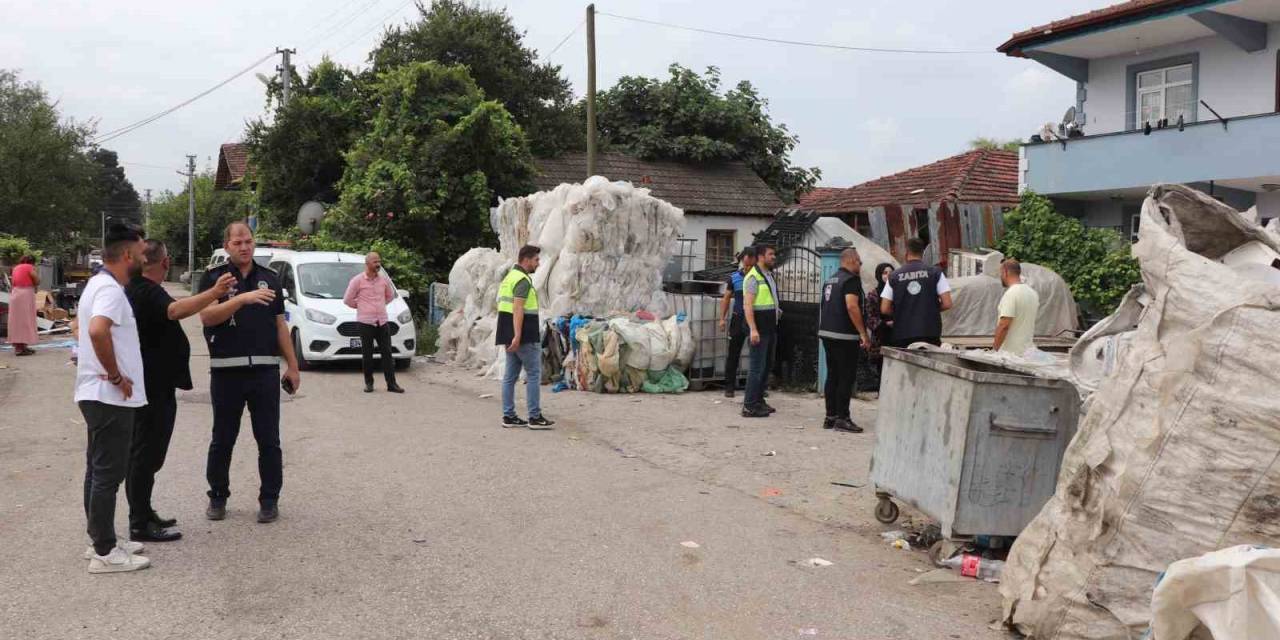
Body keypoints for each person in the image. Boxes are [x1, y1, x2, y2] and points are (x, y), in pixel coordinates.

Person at [125, 240, 235, 543]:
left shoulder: (145, 288)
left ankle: (144, 511)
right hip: (151, 386)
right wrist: (214, 292)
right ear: (165, 262)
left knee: (150, 454)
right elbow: (174, 311)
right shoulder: (145, 289)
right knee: (146, 454)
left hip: (156, 383)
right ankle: (139, 522)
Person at [199, 221, 301, 524]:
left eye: (248, 241)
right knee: (222, 440)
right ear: (227, 246)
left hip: (264, 371)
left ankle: (269, 500)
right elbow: (207, 317)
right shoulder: (214, 277)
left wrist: (293, 365)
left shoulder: (270, 278)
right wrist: (241, 299)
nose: (244, 247)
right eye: (237, 242)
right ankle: (218, 497)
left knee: (269, 440)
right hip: (226, 372)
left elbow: (280, 324)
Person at [75, 223, 150, 573]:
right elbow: (96, 330)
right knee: (108, 473)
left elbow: (85, 329)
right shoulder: (109, 290)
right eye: (142, 252)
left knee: (97, 470)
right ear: (127, 255)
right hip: (108, 396)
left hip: (96, 393)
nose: (145, 258)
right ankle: (105, 553)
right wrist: (117, 376)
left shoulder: (98, 284)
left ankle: (99, 539)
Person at [496, 245, 554, 429]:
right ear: (526, 260)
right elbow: (518, 308)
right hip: (524, 335)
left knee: (510, 376)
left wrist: (511, 336)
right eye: (536, 260)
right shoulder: (522, 280)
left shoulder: (509, 278)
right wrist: (518, 335)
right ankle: (534, 417)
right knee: (534, 374)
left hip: (506, 331)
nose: (538, 263)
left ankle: (509, 416)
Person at [819, 248, 872, 433]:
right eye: (859, 261)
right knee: (845, 377)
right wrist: (863, 333)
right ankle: (843, 418)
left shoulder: (830, 280)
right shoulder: (851, 280)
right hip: (845, 335)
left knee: (832, 375)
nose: (860, 265)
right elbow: (851, 306)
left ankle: (830, 417)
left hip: (827, 333)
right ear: (851, 260)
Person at [343, 252, 405, 394]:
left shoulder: (383, 280)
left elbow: (390, 296)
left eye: (379, 261)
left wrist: (380, 305)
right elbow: (347, 299)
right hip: (365, 323)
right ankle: (369, 383)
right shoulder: (357, 281)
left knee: (387, 353)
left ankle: (392, 384)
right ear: (367, 264)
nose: (378, 264)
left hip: (382, 321)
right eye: (375, 262)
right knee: (367, 354)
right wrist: (361, 306)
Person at [880, 238, 953, 348]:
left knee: (906, 359)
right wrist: (930, 310)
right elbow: (947, 303)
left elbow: (884, 308)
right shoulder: (935, 272)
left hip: (903, 333)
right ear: (922, 253)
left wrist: (902, 313)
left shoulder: (894, 276)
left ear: (907, 253)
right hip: (929, 331)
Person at [741, 244, 780, 418]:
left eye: (774, 254)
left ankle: (759, 400)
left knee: (766, 367)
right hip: (759, 329)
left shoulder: (768, 275)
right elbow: (748, 305)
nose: (774, 257)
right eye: (770, 254)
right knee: (756, 368)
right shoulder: (753, 277)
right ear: (761, 257)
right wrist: (753, 329)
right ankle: (749, 406)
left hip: (770, 328)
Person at [716, 247, 756, 398]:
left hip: (755, 319)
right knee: (733, 353)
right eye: (745, 264)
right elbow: (726, 298)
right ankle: (729, 387)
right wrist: (722, 318)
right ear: (741, 262)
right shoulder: (734, 278)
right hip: (738, 318)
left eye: (751, 265)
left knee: (756, 354)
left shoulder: (759, 278)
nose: (747, 268)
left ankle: (757, 387)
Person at [992, 259, 1040, 355]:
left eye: (1001, 273)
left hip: (1010, 354)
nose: (1000, 276)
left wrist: (995, 350)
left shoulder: (1011, 294)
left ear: (1005, 272)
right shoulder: (1032, 293)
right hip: (1027, 352)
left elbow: (1004, 325)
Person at [860, 262, 896, 387]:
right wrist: (886, 324)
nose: (888, 275)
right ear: (879, 275)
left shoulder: (898, 292)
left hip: (898, 337)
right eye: (885, 273)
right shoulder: (873, 294)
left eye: (891, 273)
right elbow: (870, 318)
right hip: (881, 338)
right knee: (882, 371)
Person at [6, 255, 39, 356]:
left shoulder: (15, 268)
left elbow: (13, 282)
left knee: (16, 321)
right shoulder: (29, 267)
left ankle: (21, 346)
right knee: (25, 320)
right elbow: (36, 279)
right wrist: (36, 284)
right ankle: (20, 348)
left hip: (15, 293)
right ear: (32, 262)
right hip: (25, 293)